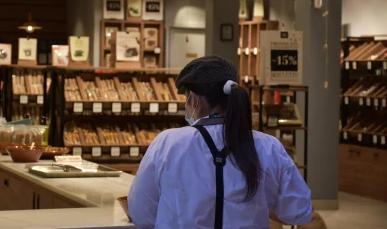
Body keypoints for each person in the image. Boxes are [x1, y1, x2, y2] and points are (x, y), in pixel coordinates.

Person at [128, 55, 312, 229]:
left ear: (195, 99)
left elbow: (141, 214)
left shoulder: (167, 144)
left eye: (186, 98)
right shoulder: (269, 147)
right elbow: (299, 212)